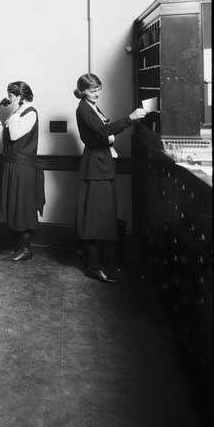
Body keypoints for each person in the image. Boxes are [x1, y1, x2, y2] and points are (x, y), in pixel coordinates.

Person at [74, 73, 147, 283]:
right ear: (82, 92)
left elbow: (104, 132)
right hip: (96, 165)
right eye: (91, 90)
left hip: (102, 163)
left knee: (102, 217)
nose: (96, 93)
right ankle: (95, 267)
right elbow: (103, 130)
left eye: (98, 89)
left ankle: (98, 265)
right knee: (94, 219)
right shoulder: (83, 109)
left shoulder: (92, 107)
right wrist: (130, 119)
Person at [0, 81, 45, 262]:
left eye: (11, 96)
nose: (9, 99)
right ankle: (20, 246)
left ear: (19, 97)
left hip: (23, 167)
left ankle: (27, 249)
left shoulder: (30, 113)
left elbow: (13, 134)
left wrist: (12, 116)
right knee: (15, 206)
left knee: (24, 207)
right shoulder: (17, 114)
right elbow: (6, 142)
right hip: (12, 165)